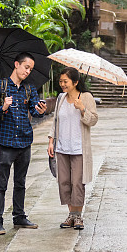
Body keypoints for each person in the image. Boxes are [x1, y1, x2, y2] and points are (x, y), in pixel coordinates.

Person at [0, 52, 47, 235]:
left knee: (20, 183)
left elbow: (35, 113)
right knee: (1, 184)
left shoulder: (29, 89)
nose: (28, 71)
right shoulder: (0, 86)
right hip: (6, 142)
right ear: (16, 65)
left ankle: (19, 217)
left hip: (24, 141)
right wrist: (3, 107)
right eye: (26, 67)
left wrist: (41, 110)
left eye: (30, 69)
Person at [47, 67, 98, 230]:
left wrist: (82, 109)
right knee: (64, 182)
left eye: (65, 81)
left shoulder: (86, 97)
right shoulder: (61, 98)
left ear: (75, 82)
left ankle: (77, 216)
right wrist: (51, 141)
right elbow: (56, 121)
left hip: (79, 149)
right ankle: (71, 215)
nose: (62, 84)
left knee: (77, 183)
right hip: (62, 148)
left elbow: (93, 120)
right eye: (61, 81)